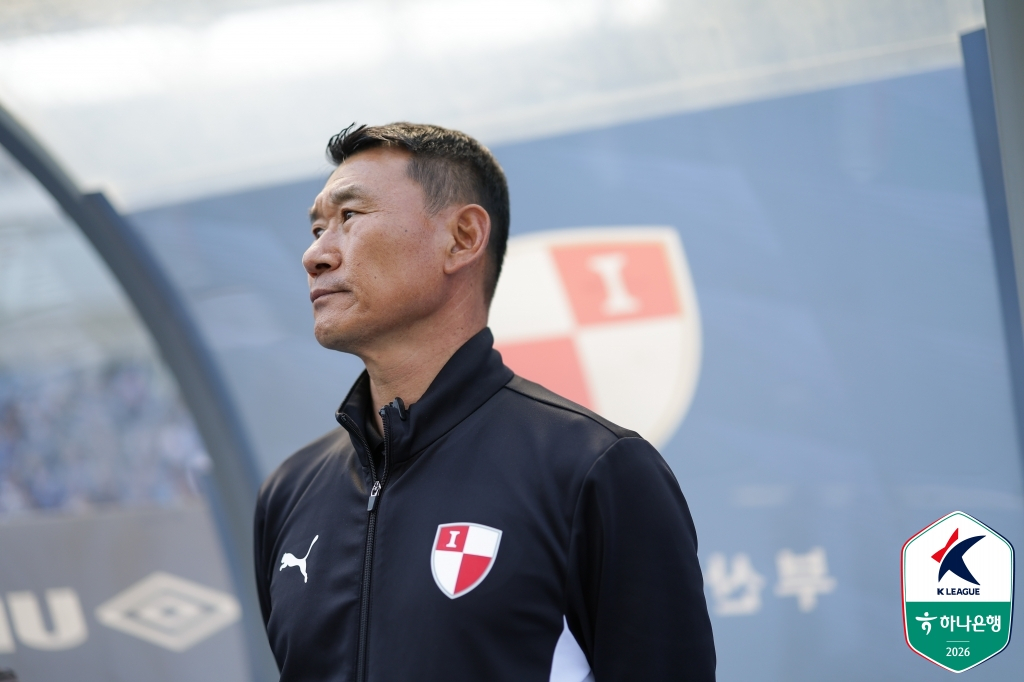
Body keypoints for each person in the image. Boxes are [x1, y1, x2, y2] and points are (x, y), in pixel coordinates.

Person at [253, 123, 715, 681]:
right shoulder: (290, 492)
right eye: (317, 226)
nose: (315, 254)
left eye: (350, 216)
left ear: (463, 238)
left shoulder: (594, 469)